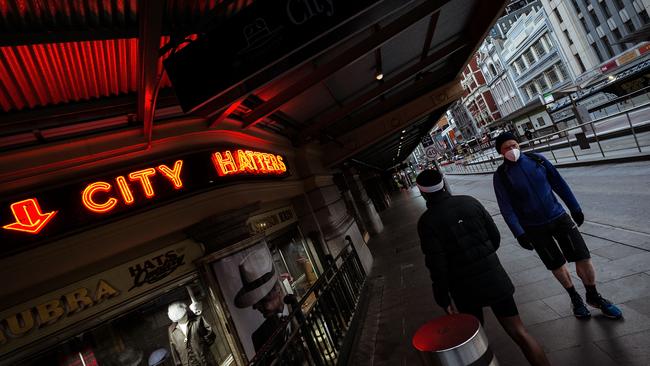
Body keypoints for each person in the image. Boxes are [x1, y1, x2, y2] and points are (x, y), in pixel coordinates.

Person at [416, 169, 550, 366]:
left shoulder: (427, 222)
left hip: (464, 288)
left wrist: (442, 297)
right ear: (443, 184)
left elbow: (437, 265)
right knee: (519, 331)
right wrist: (483, 255)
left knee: (475, 340)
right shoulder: (470, 202)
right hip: (494, 276)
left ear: (422, 192)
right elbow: (494, 238)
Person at [492, 132, 622, 319]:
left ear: (519, 145)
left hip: (559, 217)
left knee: (582, 256)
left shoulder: (538, 160)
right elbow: (506, 208)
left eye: (514, 145)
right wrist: (519, 232)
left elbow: (559, 184)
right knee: (556, 264)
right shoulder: (502, 176)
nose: (512, 150)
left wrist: (575, 208)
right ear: (500, 152)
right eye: (507, 148)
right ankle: (575, 298)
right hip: (534, 227)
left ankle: (593, 296)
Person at [167, 301, 216, 366]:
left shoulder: (197, 319)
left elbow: (210, 334)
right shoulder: (171, 330)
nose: (184, 317)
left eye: (184, 314)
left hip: (205, 362)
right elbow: (174, 351)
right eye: (181, 317)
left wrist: (203, 348)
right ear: (176, 319)